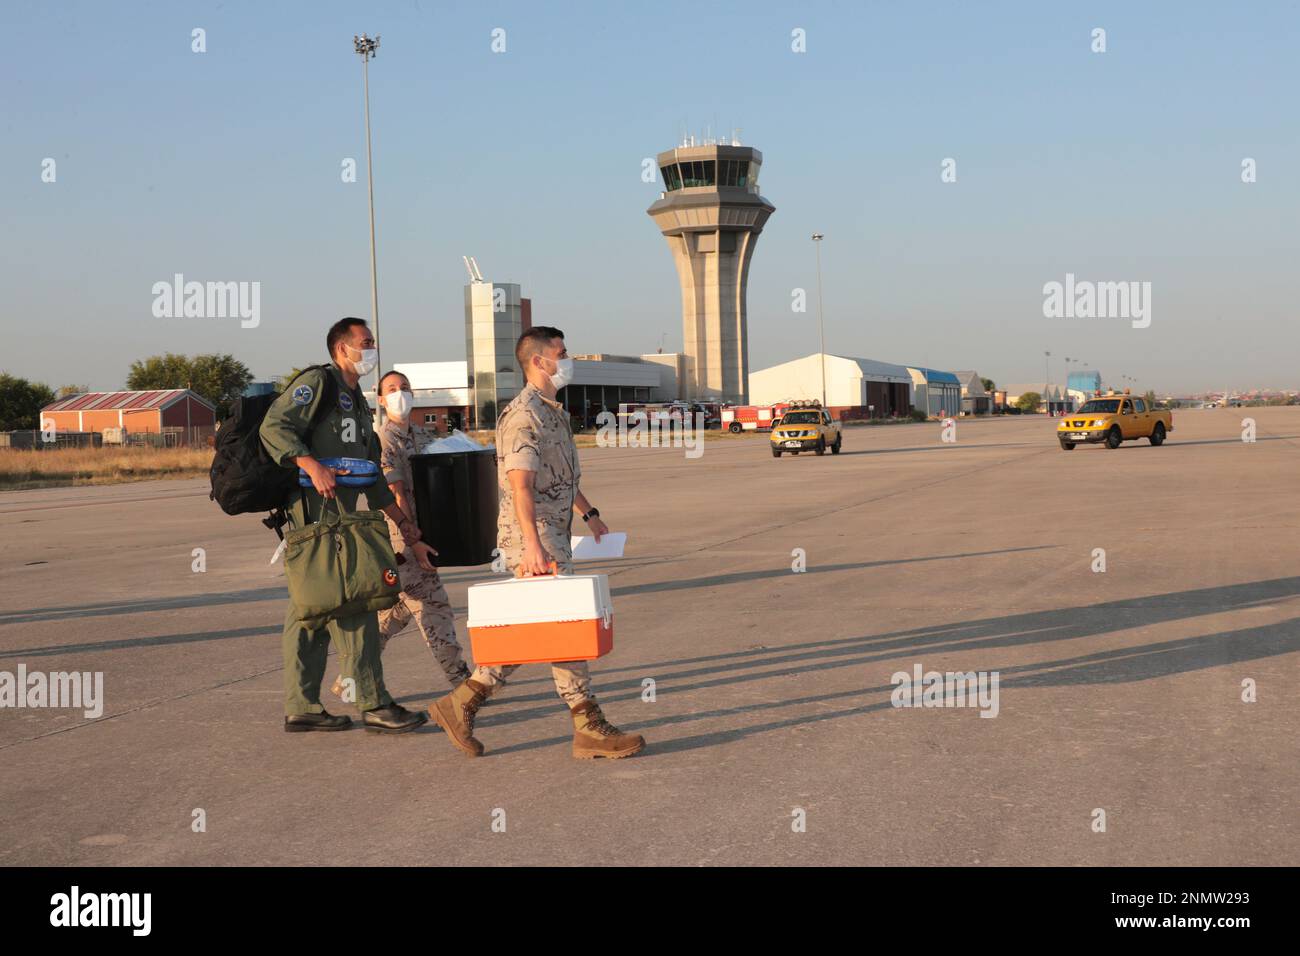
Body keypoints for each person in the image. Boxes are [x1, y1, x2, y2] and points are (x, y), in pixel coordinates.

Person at [429, 326, 645, 759]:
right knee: (563, 629)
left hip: (554, 531)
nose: (569, 361)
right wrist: (532, 545)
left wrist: (590, 514)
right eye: (562, 353)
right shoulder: (523, 415)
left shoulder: (553, 411)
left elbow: (561, 477)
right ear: (538, 361)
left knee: (538, 630)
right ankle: (588, 726)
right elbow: (520, 485)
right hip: (535, 537)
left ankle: (462, 703)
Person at [260, 317, 428, 734]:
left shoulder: (358, 399)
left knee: (310, 607)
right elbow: (273, 426)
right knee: (355, 597)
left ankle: (302, 705)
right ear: (341, 349)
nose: (371, 349)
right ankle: (373, 702)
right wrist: (308, 462)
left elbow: (371, 471)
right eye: (365, 342)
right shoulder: (318, 384)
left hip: (345, 512)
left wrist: (404, 525)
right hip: (316, 513)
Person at [329, 370, 471, 697]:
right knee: (435, 606)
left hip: (423, 532)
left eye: (404, 387)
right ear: (380, 399)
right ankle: (463, 684)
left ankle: (349, 676)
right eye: (391, 389)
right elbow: (396, 492)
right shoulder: (382, 440)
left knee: (397, 611)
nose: (399, 393)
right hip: (401, 537)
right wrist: (413, 539)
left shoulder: (423, 436)